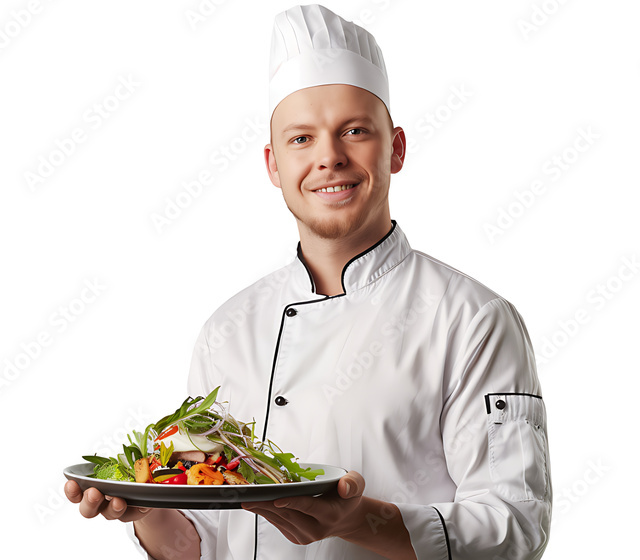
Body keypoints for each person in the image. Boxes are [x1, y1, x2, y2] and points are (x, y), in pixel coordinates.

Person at [64, 5, 552, 559]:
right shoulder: (227, 329)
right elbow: (199, 546)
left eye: (354, 130)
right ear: (273, 165)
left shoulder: (473, 320)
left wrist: (359, 521)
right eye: (302, 139)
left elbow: (515, 528)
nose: (329, 158)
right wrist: (149, 509)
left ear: (395, 148)